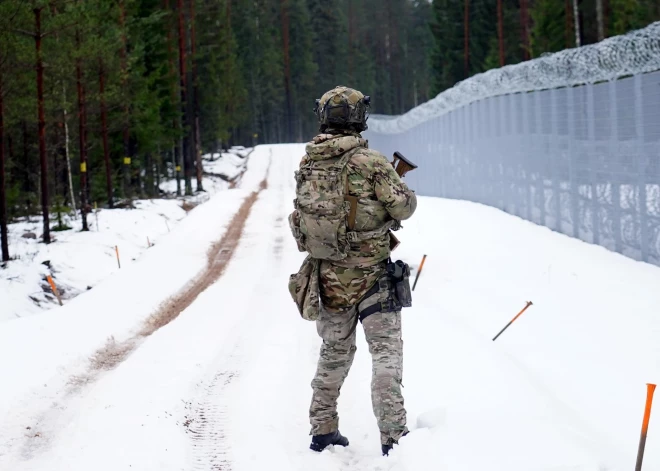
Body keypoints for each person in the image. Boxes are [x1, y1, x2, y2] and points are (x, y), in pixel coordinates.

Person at [287, 86, 417, 456]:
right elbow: (404, 208)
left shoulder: (308, 163)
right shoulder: (372, 163)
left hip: (329, 278)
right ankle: (394, 438)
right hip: (374, 277)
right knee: (386, 356)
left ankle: (323, 429)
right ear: (360, 118)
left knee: (334, 353)